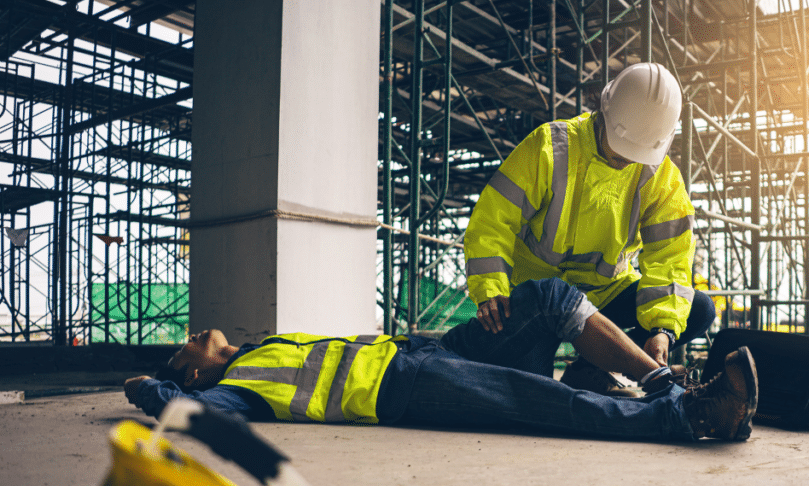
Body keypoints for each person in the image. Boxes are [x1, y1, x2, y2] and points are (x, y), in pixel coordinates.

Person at [124, 278, 757, 442]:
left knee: (544, 301)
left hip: (417, 352)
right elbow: (186, 410)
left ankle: (657, 382)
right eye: (183, 348)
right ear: (194, 369)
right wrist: (149, 385)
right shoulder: (235, 388)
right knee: (542, 404)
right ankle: (690, 417)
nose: (192, 333)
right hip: (402, 389)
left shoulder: (261, 346)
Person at [463, 62, 715, 395]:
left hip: (604, 294)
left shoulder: (662, 180)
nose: (627, 159)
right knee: (532, 389)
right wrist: (490, 289)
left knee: (700, 309)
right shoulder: (550, 147)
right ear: (604, 112)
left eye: (638, 153)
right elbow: (492, 220)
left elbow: (670, 259)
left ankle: (589, 370)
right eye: (621, 147)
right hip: (539, 298)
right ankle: (560, 364)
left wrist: (662, 329)